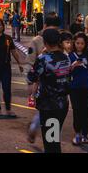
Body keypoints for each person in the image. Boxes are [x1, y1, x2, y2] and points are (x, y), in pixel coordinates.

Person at [27, 29, 71, 153]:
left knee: (51, 143)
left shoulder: (43, 58)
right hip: (63, 104)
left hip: (49, 106)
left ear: (45, 43)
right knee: (54, 139)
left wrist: (41, 55)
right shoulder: (66, 58)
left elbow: (31, 77)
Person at [26, 12, 61, 143]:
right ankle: (37, 129)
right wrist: (31, 85)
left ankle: (38, 129)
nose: (53, 33)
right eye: (51, 29)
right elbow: (30, 64)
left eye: (56, 29)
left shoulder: (61, 39)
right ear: (45, 26)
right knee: (46, 112)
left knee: (52, 115)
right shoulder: (36, 41)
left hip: (60, 88)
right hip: (43, 85)